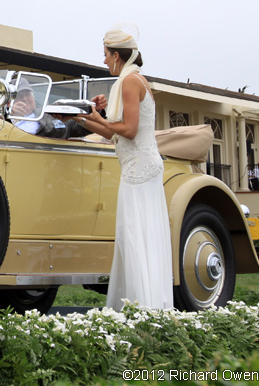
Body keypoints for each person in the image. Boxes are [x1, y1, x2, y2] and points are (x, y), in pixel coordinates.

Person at [74, 25, 173, 311]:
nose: (103, 61)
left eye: (105, 55)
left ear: (117, 55)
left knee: (137, 235)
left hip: (139, 170)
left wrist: (97, 117)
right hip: (136, 168)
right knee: (136, 236)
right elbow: (111, 134)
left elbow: (128, 130)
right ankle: (142, 304)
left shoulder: (130, 83)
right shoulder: (129, 81)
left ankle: (144, 307)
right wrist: (82, 118)